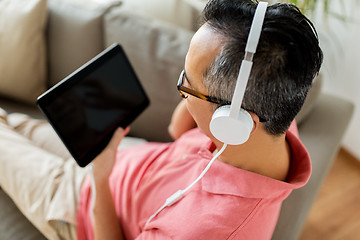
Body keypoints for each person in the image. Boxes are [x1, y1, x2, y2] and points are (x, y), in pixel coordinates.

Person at [0, 0, 323, 239]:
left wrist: (100, 177)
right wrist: (199, 87)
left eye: (187, 85)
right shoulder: (272, 123)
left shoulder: (204, 230)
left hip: (79, 204)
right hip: (120, 155)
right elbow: (176, 130)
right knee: (12, 123)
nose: (180, 89)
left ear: (233, 120)